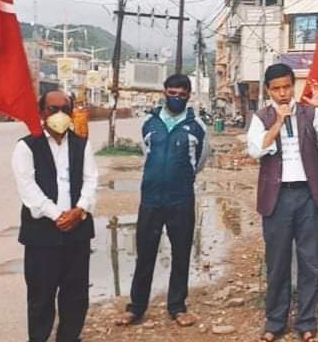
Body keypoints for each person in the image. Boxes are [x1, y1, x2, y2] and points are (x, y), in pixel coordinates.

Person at [247, 64, 318, 342]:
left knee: (310, 261)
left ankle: (307, 322)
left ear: (293, 86)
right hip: (276, 198)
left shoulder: (309, 113)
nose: (283, 93)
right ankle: (275, 321)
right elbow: (256, 150)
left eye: (287, 87)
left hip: (308, 196)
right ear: (268, 90)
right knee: (277, 262)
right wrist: (277, 122)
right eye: (276, 89)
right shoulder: (261, 117)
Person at [116, 74, 209, 328]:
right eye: (172, 93)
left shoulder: (197, 126)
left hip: (181, 200)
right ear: (164, 92)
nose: (176, 98)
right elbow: (147, 154)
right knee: (145, 254)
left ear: (188, 95)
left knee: (181, 254)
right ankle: (136, 307)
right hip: (151, 200)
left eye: (181, 94)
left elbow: (199, 162)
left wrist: (179, 178)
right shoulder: (149, 123)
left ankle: (177, 307)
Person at [11, 90, 98, 342]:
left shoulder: (82, 144)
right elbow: (28, 188)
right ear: (41, 113)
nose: (60, 115)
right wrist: (58, 215)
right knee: (41, 297)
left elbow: (91, 180)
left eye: (65, 109)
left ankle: (69, 337)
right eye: (53, 109)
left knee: (76, 295)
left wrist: (79, 210)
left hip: (78, 233)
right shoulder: (26, 146)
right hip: (42, 235)